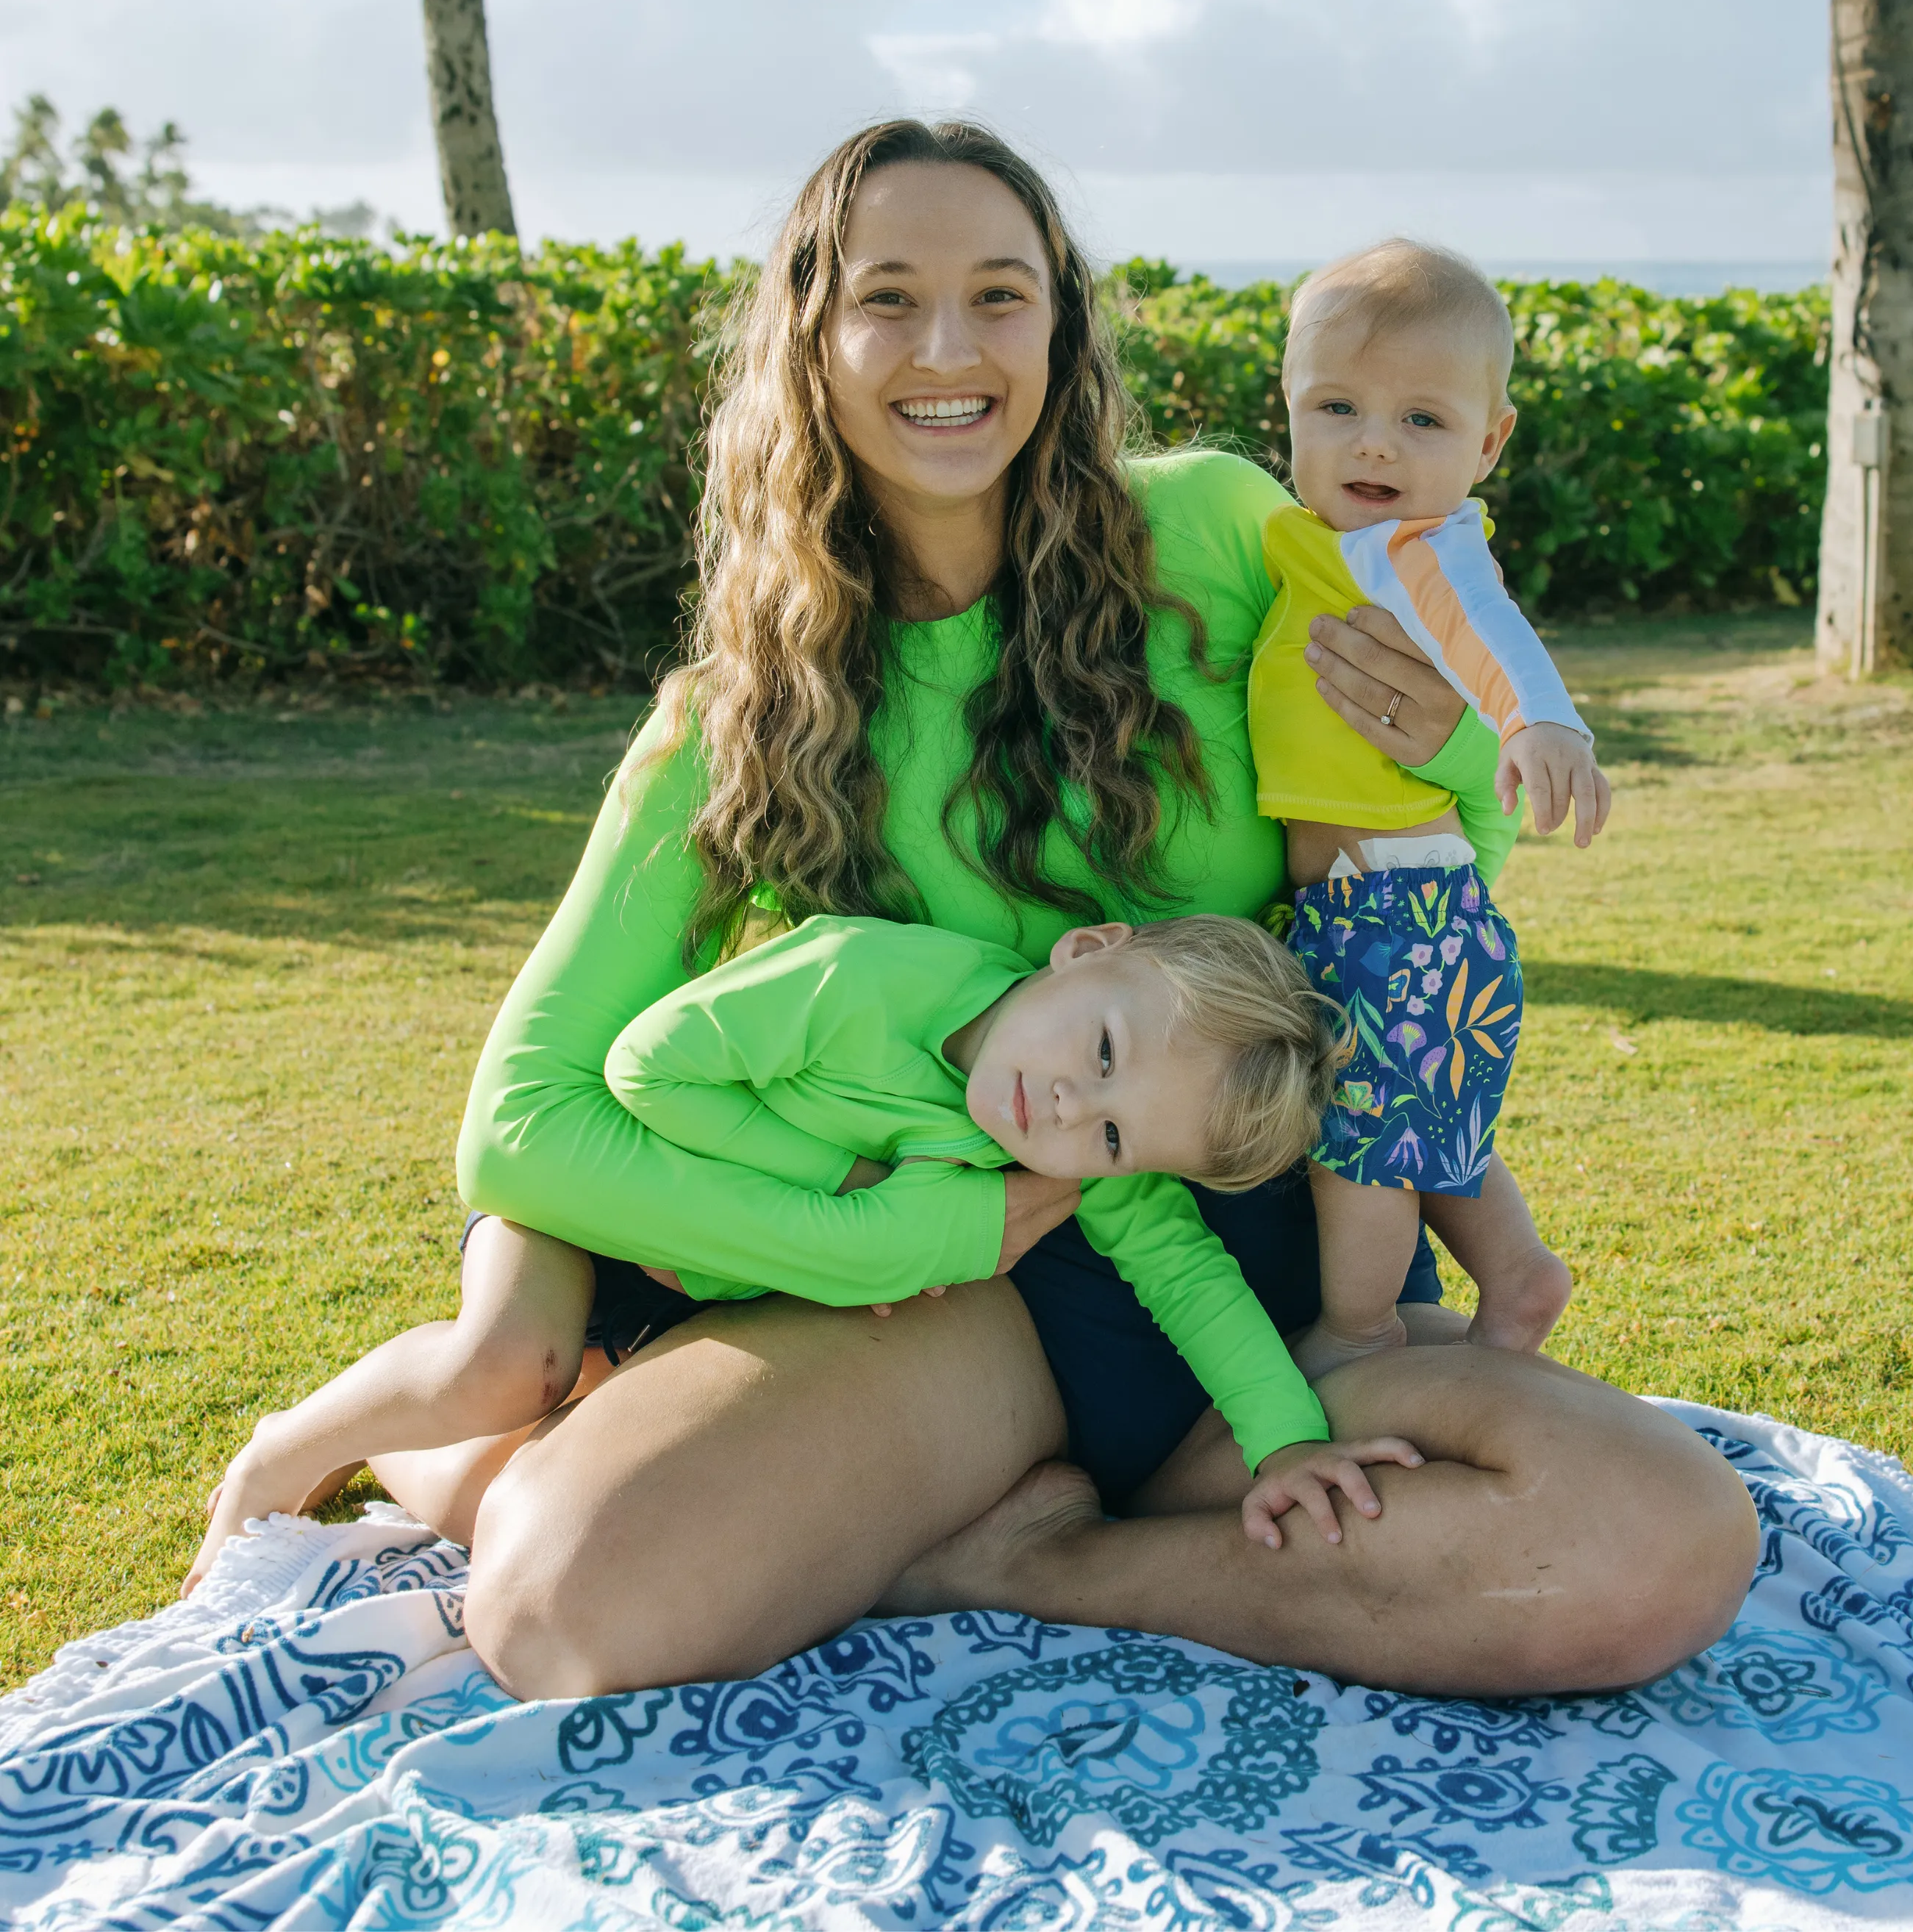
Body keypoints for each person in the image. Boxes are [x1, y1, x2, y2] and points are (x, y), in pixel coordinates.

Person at [360, 118, 1757, 1700]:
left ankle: (1040, 1563)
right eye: (889, 297)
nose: (948, 349)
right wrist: (896, 1233)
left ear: (1061, 325)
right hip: (966, 1307)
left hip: (1281, 1283)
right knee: (569, 1608)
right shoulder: (733, 717)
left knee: (1656, 1545)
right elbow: (525, 1124)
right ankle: (628, 1451)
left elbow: (1418, 882)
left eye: (1002, 295)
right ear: (807, 343)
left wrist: (1454, 746)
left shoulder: (1228, 535)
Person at [185, 912, 1420, 1592]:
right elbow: (647, 1072)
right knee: (507, 1366)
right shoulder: (859, 979)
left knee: (516, 1482)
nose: (1065, 1111)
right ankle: (278, 1456)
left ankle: (424, 1451)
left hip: (716, 1289)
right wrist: (841, 1193)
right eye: (1097, 1053)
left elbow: (1189, 1277)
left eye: (1113, 1135)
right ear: (1089, 948)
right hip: (598, 1212)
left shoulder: (1061, 1167)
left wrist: (1286, 1439)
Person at [1251, 239, 1608, 1378]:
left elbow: (1492, 632)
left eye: (1422, 422)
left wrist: (1543, 723)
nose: (1372, 442)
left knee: (1355, 1149)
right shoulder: (1331, 544)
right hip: (1402, 913)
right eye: (1339, 406)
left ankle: (1359, 1331)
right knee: (1422, 1118)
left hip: (1387, 918)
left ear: (1489, 442)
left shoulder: (1416, 548)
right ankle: (1519, 1276)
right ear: (1291, 408)